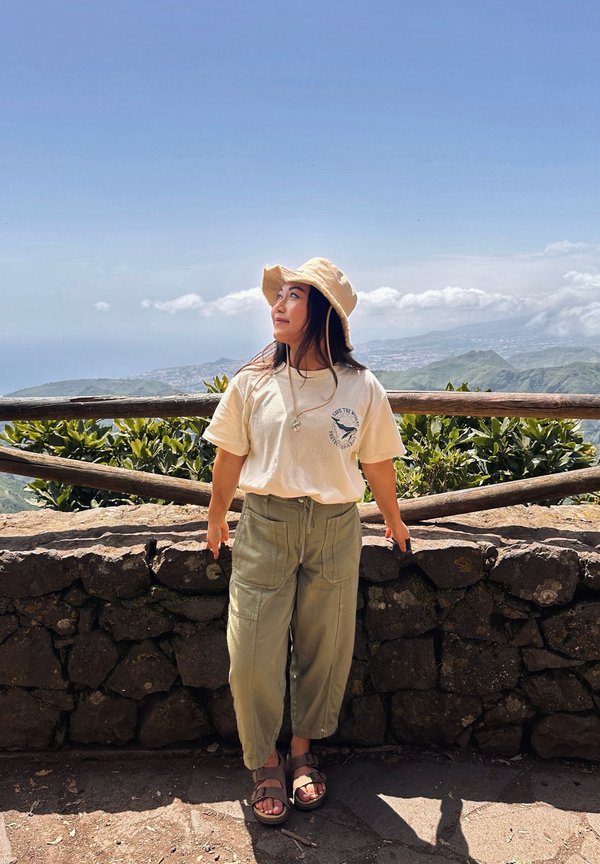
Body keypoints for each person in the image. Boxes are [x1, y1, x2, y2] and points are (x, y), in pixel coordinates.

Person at [203, 257, 410, 825]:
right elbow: (230, 456)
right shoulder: (253, 381)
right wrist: (217, 516)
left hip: (336, 526)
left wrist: (393, 519)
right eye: (279, 294)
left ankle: (301, 751)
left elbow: (377, 462)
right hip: (265, 524)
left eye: (295, 295)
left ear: (321, 312)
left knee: (326, 645)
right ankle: (262, 759)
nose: (278, 304)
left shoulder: (360, 385)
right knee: (251, 653)